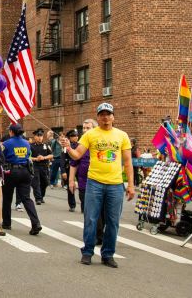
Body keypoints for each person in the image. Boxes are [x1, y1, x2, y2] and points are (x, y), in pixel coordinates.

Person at [60, 103, 134, 268]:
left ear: (113, 117)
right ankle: (87, 252)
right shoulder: (90, 135)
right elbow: (77, 155)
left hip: (116, 185)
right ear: (98, 117)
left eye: (108, 114)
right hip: (94, 183)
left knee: (113, 222)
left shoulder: (122, 135)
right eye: (102, 114)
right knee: (91, 219)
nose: (105, 117)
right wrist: (68, 147)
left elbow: (128, 162)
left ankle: (108, 255)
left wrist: (131, 185)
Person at [0, 123, 42, 235]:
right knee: (26, 198)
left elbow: (1, 157)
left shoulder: (6, 143)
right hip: (25, 172)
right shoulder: (27, 143)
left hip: (11, 172)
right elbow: (28, 155)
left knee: (7, 198)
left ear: (11, 132)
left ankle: (7, 223)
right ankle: (36, 223)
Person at [30, 128, 53, 205]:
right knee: (36, 182)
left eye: (41, 136)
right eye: (38, 136)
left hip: (44, 166)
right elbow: (28, 157)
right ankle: (38, 198)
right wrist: (36, 159)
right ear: (35, 137)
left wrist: (44, 157)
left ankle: (41, 196)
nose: (40, 137)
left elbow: (51, 155)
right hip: (35, 166)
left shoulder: (46, 145)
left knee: (45, 182)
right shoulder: (31, 146)